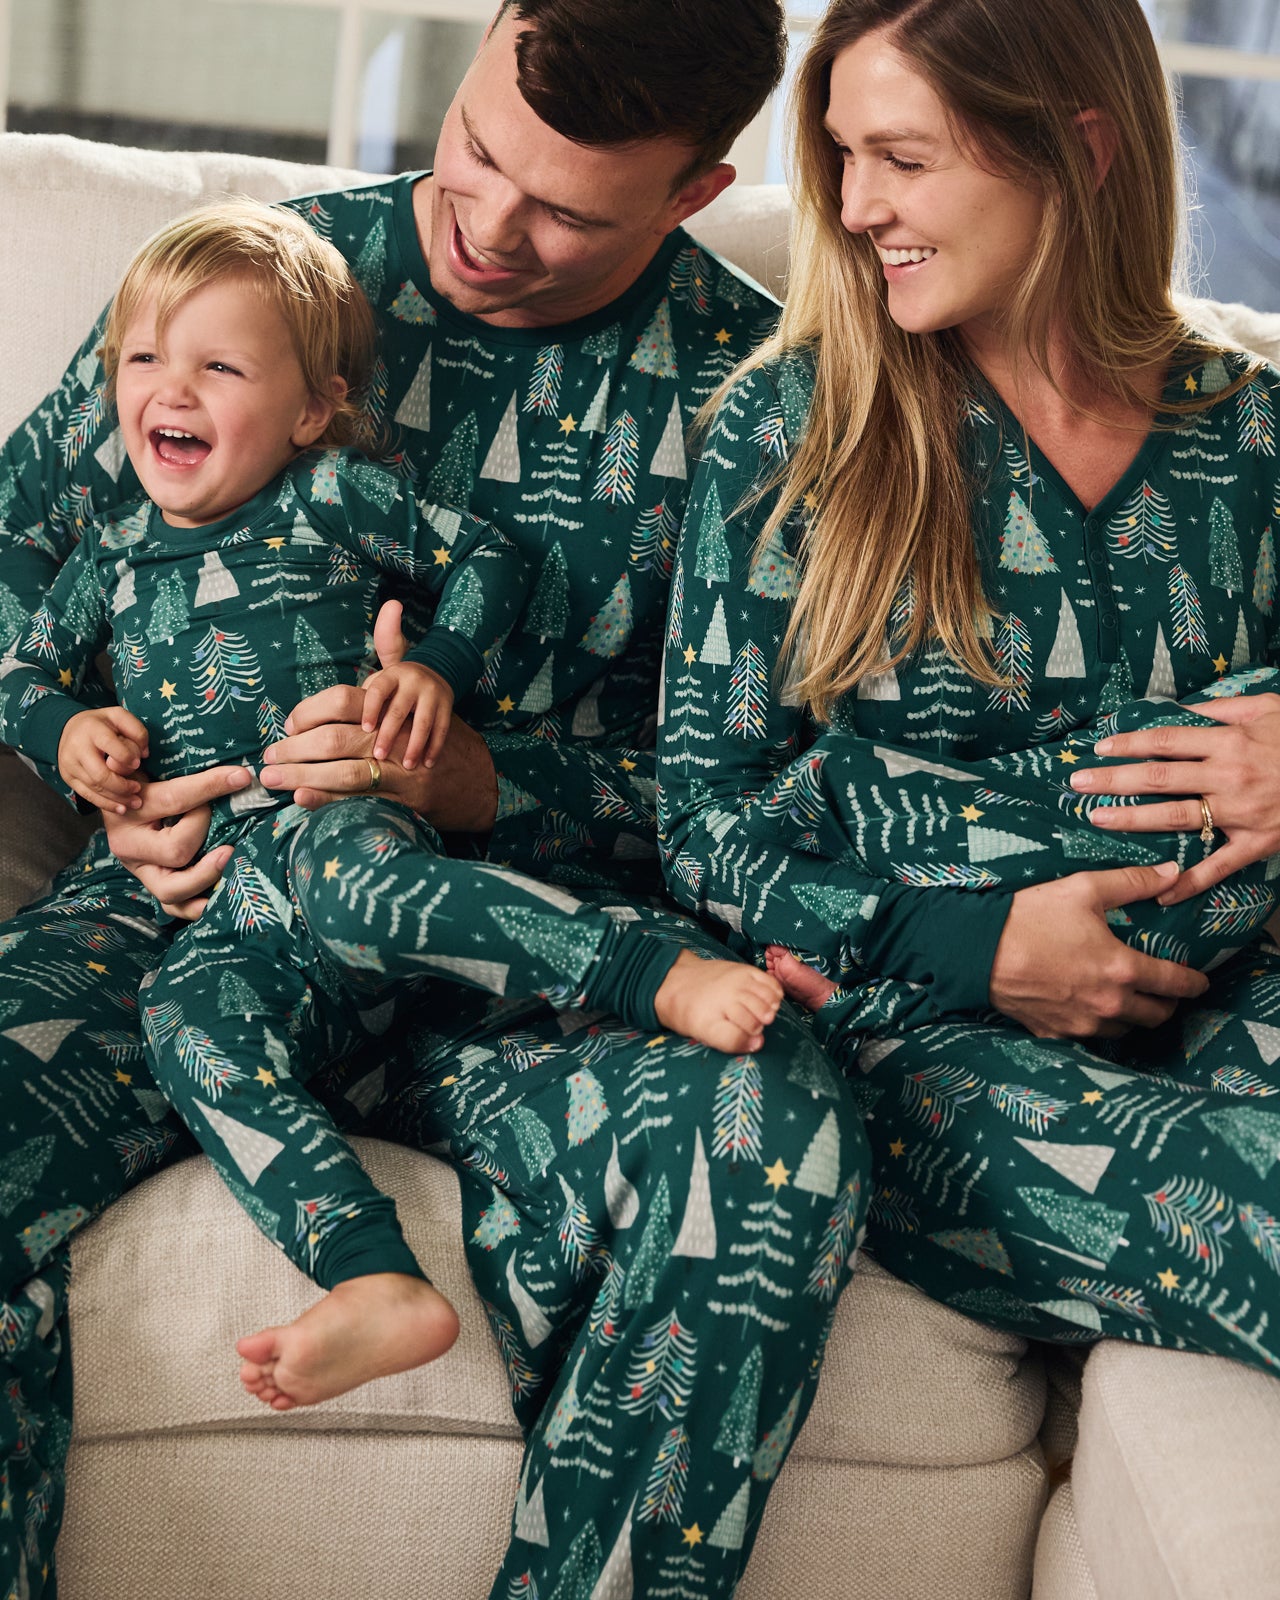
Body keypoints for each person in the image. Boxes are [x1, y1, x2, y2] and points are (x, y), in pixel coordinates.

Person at [0, 2, 869, 1594]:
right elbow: (19, 562)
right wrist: (102, 751)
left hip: (514, 981)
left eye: (563, 212)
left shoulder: (769, 405)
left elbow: (774, 804)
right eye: (475, 151)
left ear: (694, 190)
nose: (485, 225)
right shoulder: (243, 285)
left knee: (774, 1121)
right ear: (482, 44)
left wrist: (490, 782)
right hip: (178, 928)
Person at [0, 196, 788, 1415]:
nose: (170, 388)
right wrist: (68, 742)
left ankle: (635, 970)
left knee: (346, 875)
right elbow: (22, 674)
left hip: (338, 817)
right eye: (144, 358)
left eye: (220, 366)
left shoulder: (326, 495)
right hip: (216, 902)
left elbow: (486, 558)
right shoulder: (108, 554)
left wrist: (432, 676)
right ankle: (372, 1277)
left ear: (311, 410)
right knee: (186, 1019)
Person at [659, 0, 1280, 1378]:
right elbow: (704, 825)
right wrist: (975, 945)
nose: (858, 203)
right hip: (931, 1048)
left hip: (1242, 979)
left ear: (1081, 148)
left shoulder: (1251, 429)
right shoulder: (794, 429)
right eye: (843, 156)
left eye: (906, 157)